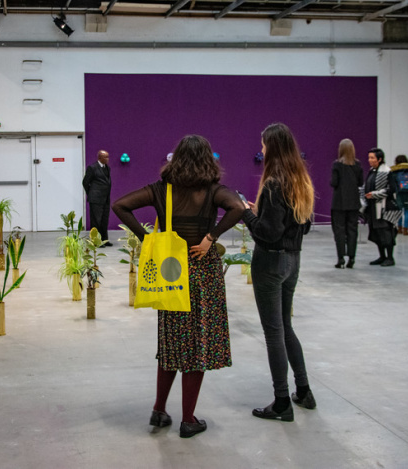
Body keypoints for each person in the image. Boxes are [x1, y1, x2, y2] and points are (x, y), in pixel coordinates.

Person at [112, 135, 243, 438]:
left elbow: (120, 205)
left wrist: (148, 239)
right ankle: (188, 419)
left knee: (171, 344)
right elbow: (236, 208)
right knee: (197, 347)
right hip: (203, 274)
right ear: (208, 160)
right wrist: (212, 236)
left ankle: (159, 411)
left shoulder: (161, 190)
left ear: (177, 159)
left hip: (171, 273)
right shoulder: (213, 191)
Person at [241, 123, 317, 423]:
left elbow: (268, 234)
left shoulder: (273, 183)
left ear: (271, 147)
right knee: (285, 327)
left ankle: (282, 401)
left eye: (263, 145)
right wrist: (260, 213)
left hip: (271, 263)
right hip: (293, 261)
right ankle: (304, 390)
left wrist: (247, 213)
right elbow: (303, 225)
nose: (260, 150)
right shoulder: (301, 181)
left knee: (273, 332)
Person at [364, 148, 402, 266]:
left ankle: (390, 257)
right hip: (373, 208)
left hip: (385, 209)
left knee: (386, 233)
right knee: (377, 233)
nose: (369, 160)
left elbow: (392, 189)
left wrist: (375, 194)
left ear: (379, 159)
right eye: (369, 157)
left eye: (372, 158)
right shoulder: (372, 171)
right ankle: (382, 256)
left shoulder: (387, 172)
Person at [330, 139, 364, 269]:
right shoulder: (358, 165)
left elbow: (334, 182)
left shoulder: (337, 165)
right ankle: (352, 257)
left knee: (339, 230)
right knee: (352, 230)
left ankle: (340, 258)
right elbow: (360, 183)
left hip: (339, 202)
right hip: (354, 202)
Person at [82, 150, 112, 246]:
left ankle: (104, 239)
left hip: (105, 198)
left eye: (108, 157)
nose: (107, 159)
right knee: (96, 221)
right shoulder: (92, 167)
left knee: (104, 220)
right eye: (105, 157)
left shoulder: (107, 168)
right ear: (99, 158)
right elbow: (85, 182)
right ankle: (95, 241)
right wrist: (91, 193)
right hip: (96, 199)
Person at [391, 155, 408, 235]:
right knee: (407, 211)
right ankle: (406, 230)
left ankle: (399, 229)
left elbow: (393, 183)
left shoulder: (395, 171)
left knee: (399, 211)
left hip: (399, 193)